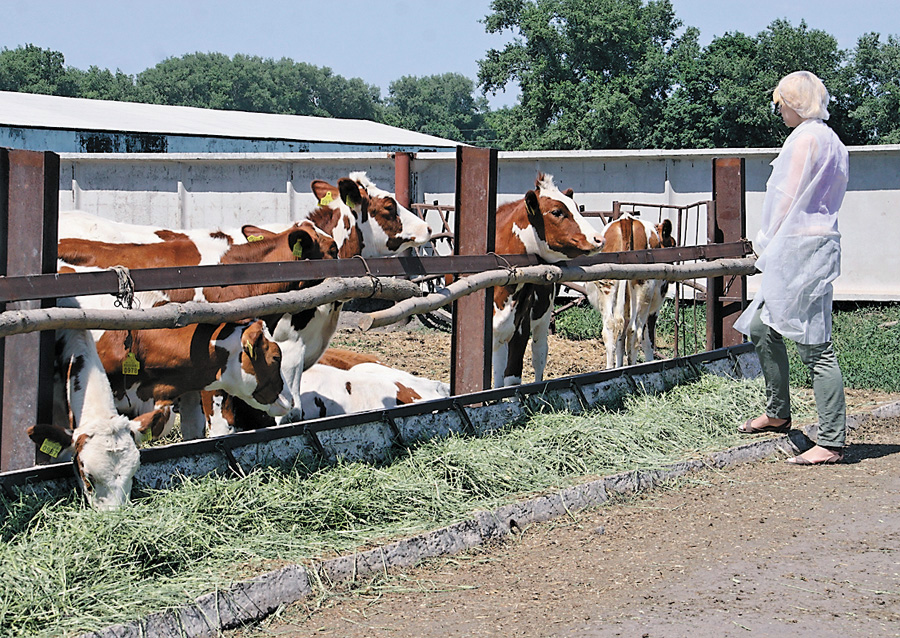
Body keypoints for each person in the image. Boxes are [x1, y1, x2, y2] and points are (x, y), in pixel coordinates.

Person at [733, 70, 849, 465]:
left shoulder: (804, 140)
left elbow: (785, 197)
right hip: (810, 243)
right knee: (764, 325)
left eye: (780, 102)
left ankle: (831, 440)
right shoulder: (832, 142)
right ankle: (778, 412)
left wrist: (764, 241)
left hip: (800, 246)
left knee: (816, 345)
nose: (777, 109)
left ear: (795, 102)